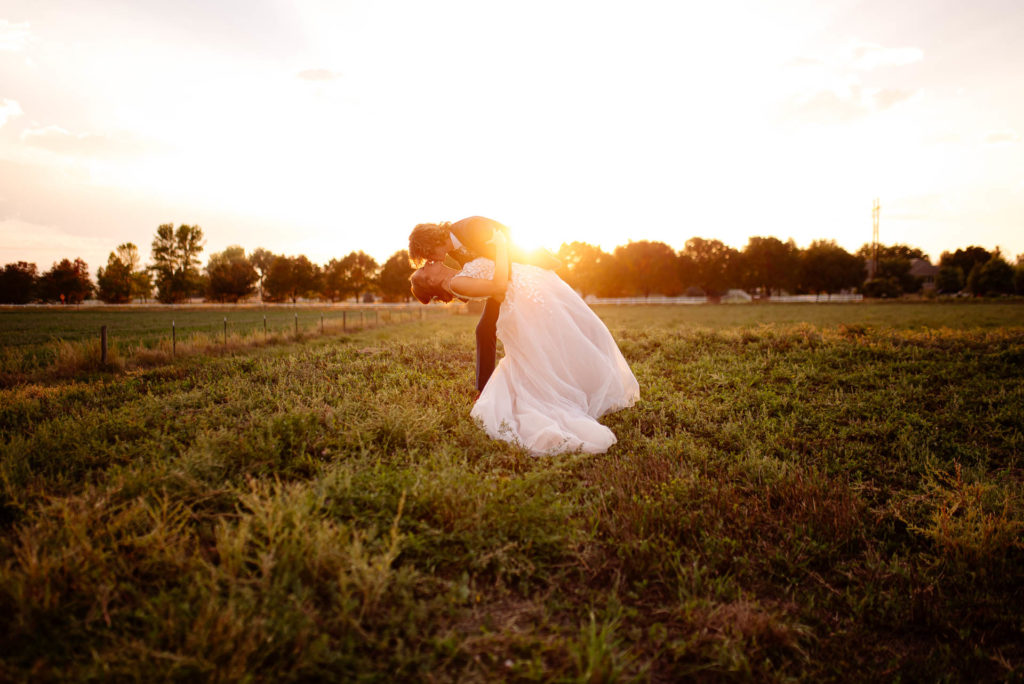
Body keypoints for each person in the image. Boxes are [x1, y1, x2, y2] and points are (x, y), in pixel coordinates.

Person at [410, 230, 640, 455]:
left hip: (529, 288)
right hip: (523, 297)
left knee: (571, 336)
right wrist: (501, 246)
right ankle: (569, 395)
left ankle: (582, 384)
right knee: (563, 341)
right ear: (429, 280)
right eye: (423, 269)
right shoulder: (458, 284)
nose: (427, 263)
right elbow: (498, 287)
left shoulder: (459, 273)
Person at [408, 216, 560, 393]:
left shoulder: (472, 227)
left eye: (427, 254)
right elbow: (474, 273)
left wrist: (502, 288)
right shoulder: (453, 250)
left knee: (489, 329)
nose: (428, 259)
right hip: (503, 281)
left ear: (431, 243)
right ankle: (485, 388)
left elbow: (511, 252)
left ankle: (489, 388)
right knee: (485, 330)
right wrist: (456, 288)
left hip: (528, 270)